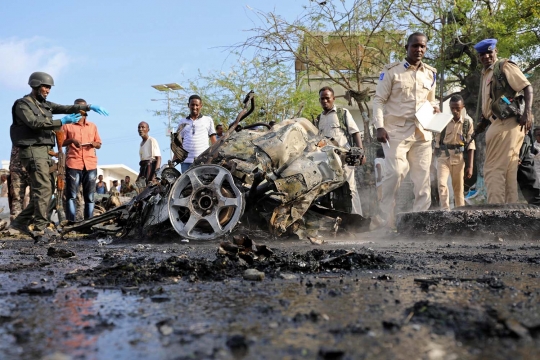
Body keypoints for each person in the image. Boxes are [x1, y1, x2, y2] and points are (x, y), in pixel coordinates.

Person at [8, 71, 109, 235]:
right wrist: (61, 121)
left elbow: (66, 107)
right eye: (45, 87)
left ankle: (20, 222)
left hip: (45, 151)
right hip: (32, 150)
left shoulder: (45, 105)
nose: (47, 90)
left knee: (48, 189)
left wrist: (88, 106)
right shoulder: (23, 104)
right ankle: (40, 229)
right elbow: (34, 123)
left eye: (49, 88)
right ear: (35, 85)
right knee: (43, 189)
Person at [372, 32, 439, 228]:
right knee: (395, 173)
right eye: (415, 46)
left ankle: (418, 221)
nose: (419, 49)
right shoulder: (392, 71)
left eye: (422, 46)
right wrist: (379, 126)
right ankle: (385, 218)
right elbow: (379, 100)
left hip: (422, 132)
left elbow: (430, 100)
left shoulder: (431, 73)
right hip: (396, 132)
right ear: (406, 47)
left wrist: (435, 107)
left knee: (423, 178)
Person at [473, 38, 533, 203]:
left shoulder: (504, 66)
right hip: (499, 122)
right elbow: (490, 105)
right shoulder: (486, 73)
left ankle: (495, 212)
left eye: (489, 52)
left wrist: (527, 112)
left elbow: (527, 87)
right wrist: (482, 123)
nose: (485, 56)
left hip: (506, 122)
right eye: (482, 54)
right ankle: (509, 215)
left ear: (495, 51)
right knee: (508, 171)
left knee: (492, 168)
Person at [315, 86, 365, 216]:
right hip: (326, 161)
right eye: (322, 99)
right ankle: (335, 221)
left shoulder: (342, 113)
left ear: (333, 99)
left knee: (350, 188)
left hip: (344, 158)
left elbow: (355, 133)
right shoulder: (318, 119)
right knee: (327, 191)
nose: (325, 101)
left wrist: (361, 152)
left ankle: (357, 219)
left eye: (327, 98)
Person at [62, 99, 102, 221]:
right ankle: (71, 222)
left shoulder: (92, 126)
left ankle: (88, 222)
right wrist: (72, 141)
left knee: (90, 196)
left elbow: (99, 143)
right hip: (74, 163)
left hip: (90, 164)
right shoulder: (67, 125)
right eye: (78, 109)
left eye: (83, 109)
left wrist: (95, 144)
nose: (81, 112)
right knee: (72, 196)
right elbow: (61, 143)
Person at [434, 95, 475, 210]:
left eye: (457, 108)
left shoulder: (468, 122)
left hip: (459, 158)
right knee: (442, 184)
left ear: (463, 107)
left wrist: (470, 166)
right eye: (452, 108)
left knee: (458, 188)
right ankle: (445, 211)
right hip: (443, 156)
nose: (455, 111)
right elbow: (437, 142)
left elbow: (471, 145)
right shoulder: (444, 121)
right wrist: (432, 162)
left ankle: (460, 212)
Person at [175, 95, 217, 173]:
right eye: (192, 105)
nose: (194, 107)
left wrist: (216, 155)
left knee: (203, 183)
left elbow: (214, 140)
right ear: (188, 105)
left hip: (203, 160)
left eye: (197, 105)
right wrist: (175, 158)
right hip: (186, 161)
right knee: (187, 184)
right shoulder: (182, 121)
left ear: (201, 106)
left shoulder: (208, 120)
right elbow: (178, 143)